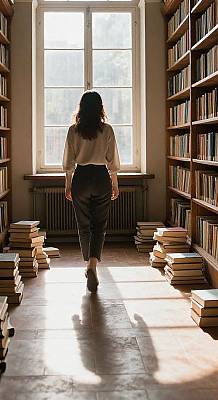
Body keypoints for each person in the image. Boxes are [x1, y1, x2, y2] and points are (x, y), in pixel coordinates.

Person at [62, 91, 120, 293]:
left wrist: (68, 184)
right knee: (99, 224)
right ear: (100, 108)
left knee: (83, 224)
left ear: (81, 108)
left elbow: (69, 162)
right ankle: (93, 265)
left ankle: (88, 264)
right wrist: (115, 183)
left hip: (81, 177)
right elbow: (112, 161)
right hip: (101, 177)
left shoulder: (73, 130)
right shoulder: (107, 130)